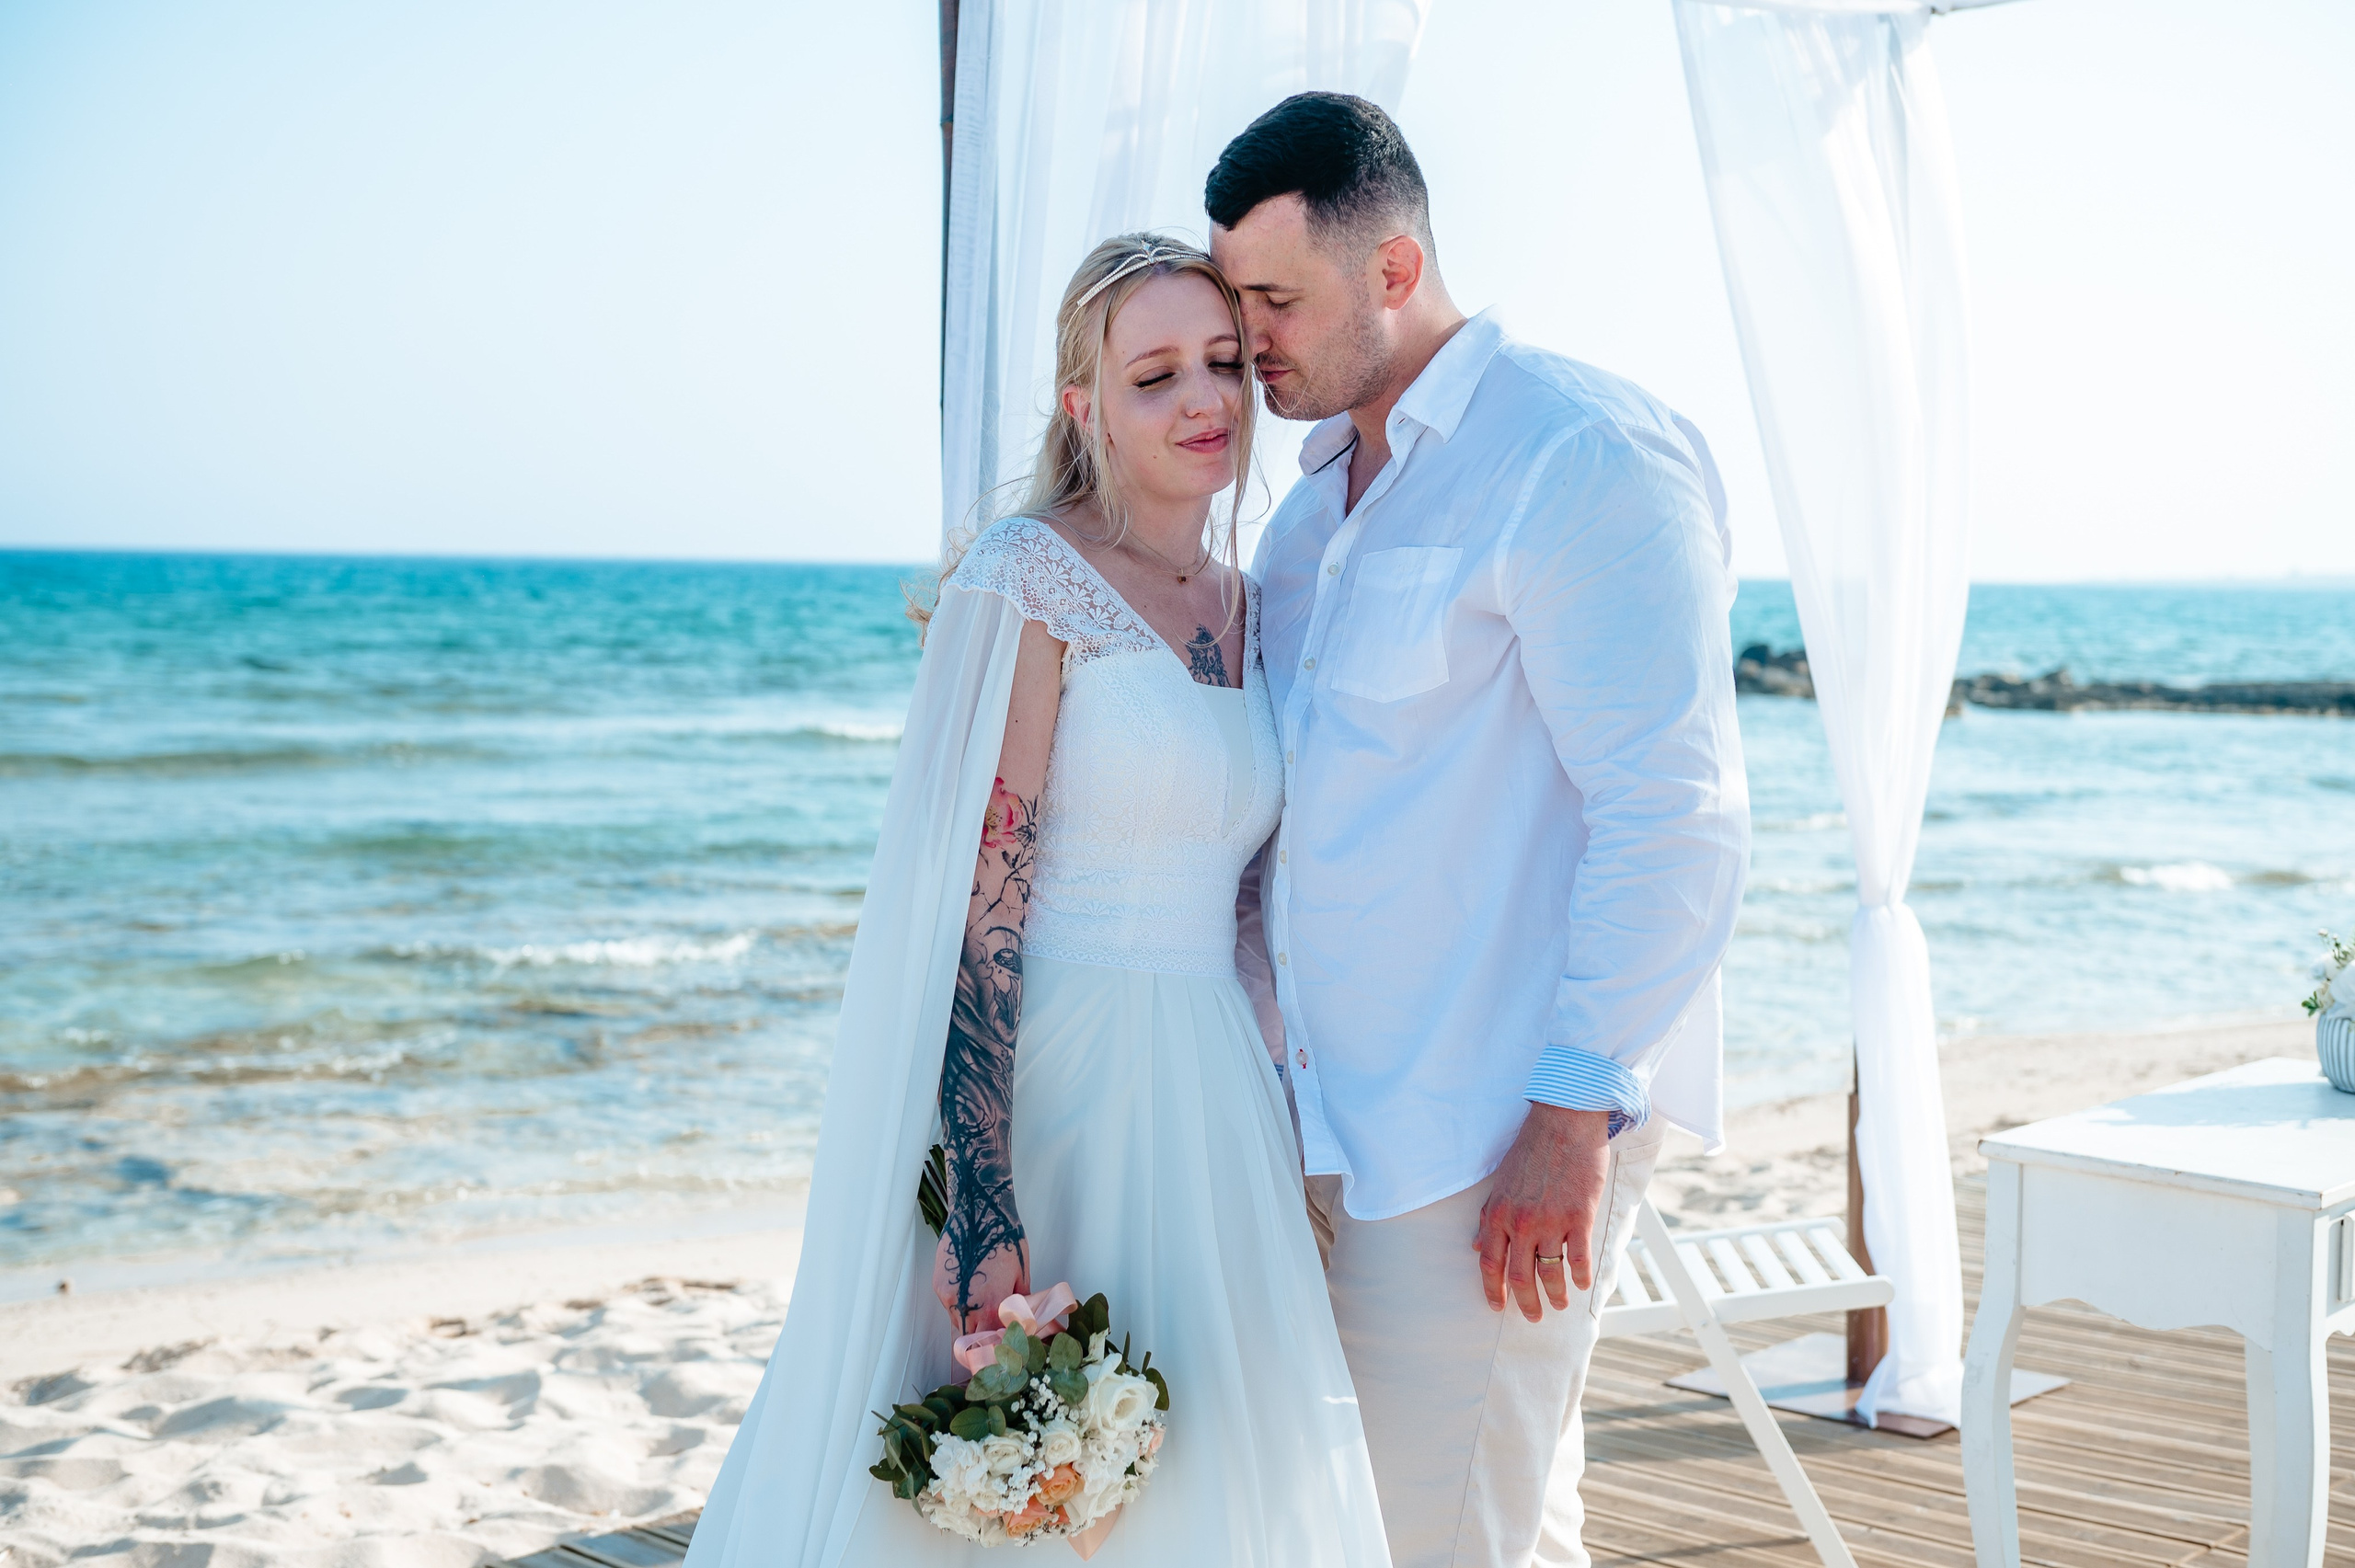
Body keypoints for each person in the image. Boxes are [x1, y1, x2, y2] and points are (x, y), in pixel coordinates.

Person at [683, 233, 1390, 1567]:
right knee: (1015, 1465)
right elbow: (982, 905)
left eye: (1227, 362)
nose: (1204, 400)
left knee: (1201, 1459)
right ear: (1085, 407)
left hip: (1213, 1094)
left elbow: (1251, 906)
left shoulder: (1251, 605)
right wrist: (984, 1200)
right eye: (1155, 374)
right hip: (1051, 1075)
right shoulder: (1031, 575)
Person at [1206, 94, 1751, 1568]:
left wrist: (1572, 1114)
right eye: (1236, 295)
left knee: (1449, 1539)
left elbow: (1677, 811)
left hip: (1483, 1132)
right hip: (1330, 1123)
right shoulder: (1306, 521)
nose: (1250, 337)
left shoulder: (1580, 454)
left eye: (1277, 298)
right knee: (1462, 1523)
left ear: (1393, 272)